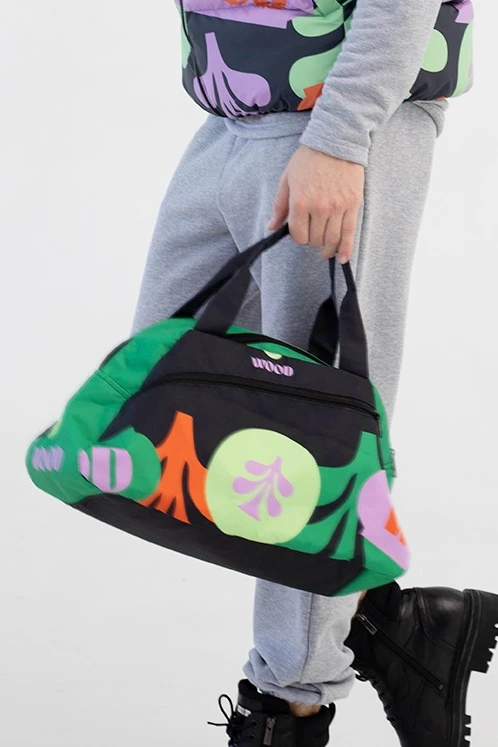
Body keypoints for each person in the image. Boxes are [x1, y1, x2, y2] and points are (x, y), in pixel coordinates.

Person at [131, 0, 497, 745]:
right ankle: (387, 620)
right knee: (161, 385)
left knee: (309, 437)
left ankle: (289, 704)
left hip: (335, 118)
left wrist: (340, 137)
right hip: (235, 108)